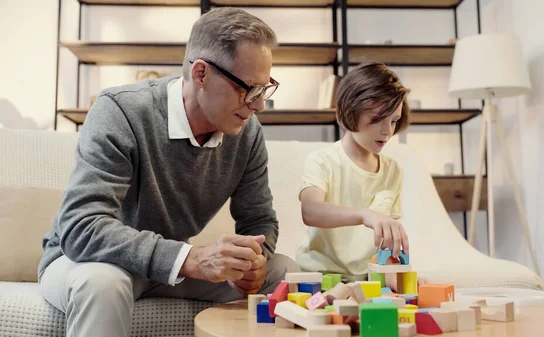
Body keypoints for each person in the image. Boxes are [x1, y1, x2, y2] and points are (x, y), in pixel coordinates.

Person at [38, 7, 299, 337]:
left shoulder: (246, 131)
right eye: (248, 87)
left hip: (166, 266)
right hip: (90, 261)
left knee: (285, 273)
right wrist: (189, 259)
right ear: (201, 74)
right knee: (104, 283)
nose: (258, 104)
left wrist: (252, 261)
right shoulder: (120, 111)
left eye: (265, 88)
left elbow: (259, 220)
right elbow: (81, 226)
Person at [295, 62, 412, 283]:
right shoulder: (323, 160)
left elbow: (386, 245)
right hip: (318, 276)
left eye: (394, 121)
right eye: (377, 119)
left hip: (368, 278)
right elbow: (310, 211)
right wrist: (365, 214)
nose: (387, 131)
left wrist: (401, 278)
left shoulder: (392, 171)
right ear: (351, 111)